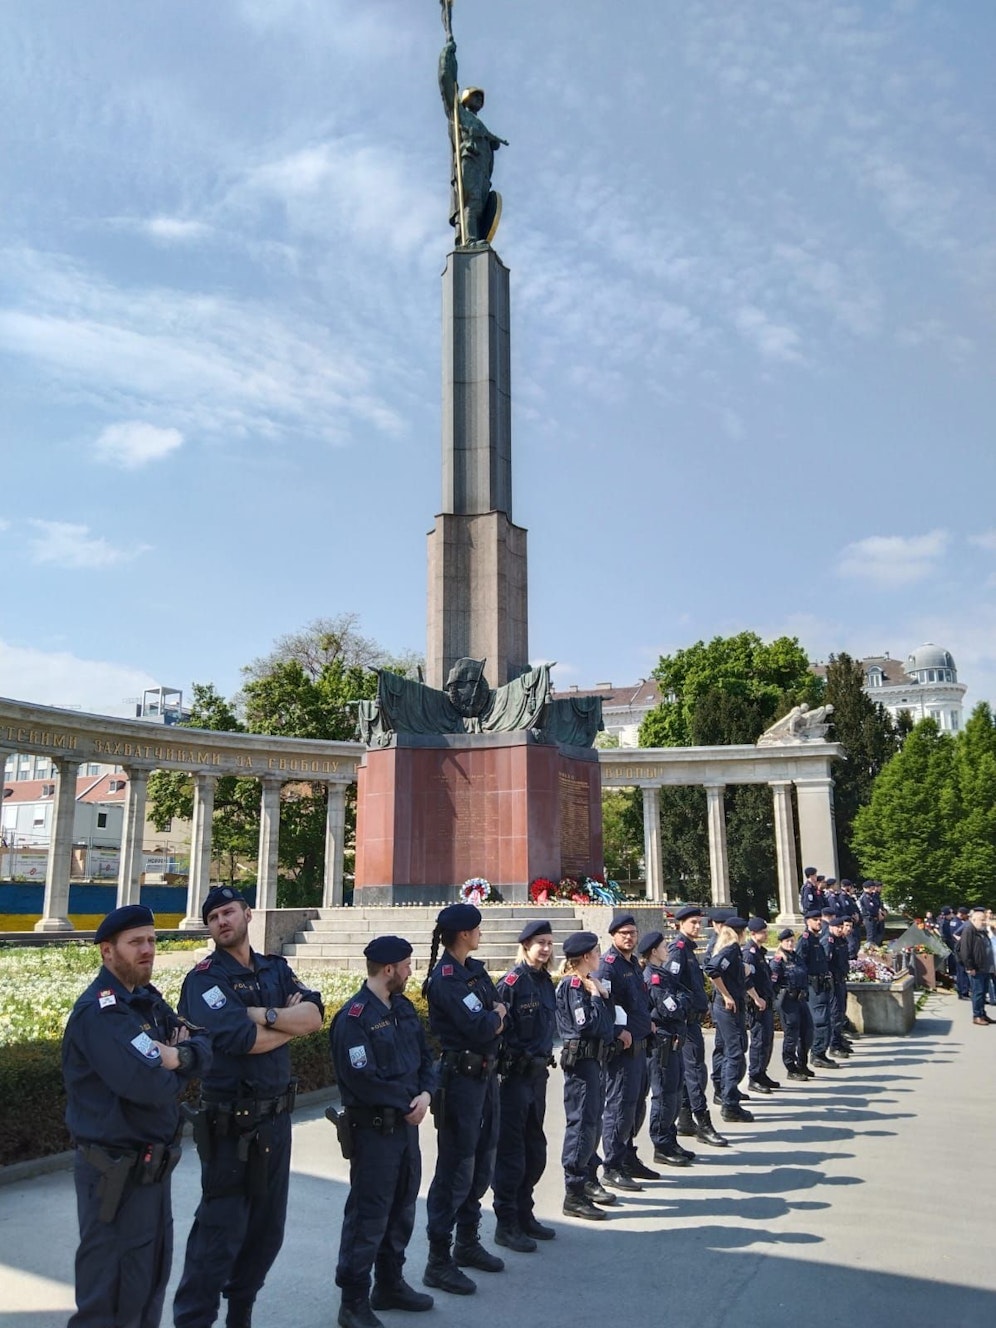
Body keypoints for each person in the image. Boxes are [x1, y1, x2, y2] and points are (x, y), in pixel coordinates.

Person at [173, 887, 324, 1328]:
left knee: (265, 1233)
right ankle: (194, 1321)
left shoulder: (275, 968)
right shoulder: (204, 979)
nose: (222, 921)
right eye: (214, 916)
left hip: (276, 1122)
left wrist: (262, 1014)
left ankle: (241, 1316)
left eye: (229, 911)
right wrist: (283, 1022)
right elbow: (241, 1040)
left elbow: (314, 1016)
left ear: (248, 914)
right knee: (218, 1236)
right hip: (230, 1129)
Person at [62, 904, 211, 1328]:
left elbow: (205, 1045)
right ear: (107, 951)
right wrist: (181, 1064)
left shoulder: (146, 1002)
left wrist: (174, 1056)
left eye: (152, 940)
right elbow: (147, 1087)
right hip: (115, 1178)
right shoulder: (101, 1012)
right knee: (109, 1301)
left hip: (150, 1172)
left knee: (147, 1288)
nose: (148, 949)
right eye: (136, 942)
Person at [329, 935, 436, 1328]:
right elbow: (362, 1080)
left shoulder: (403, 1008)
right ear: (389, 969)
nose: (411, 971)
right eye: (407, 965)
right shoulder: (354, 1018)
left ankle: (389, 1284)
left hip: (406, 1128)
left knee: (403, 1205)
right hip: (375, 1133)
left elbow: (426, 1057)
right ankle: (353, 1300)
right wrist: (409, 1101)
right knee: (368, 1215)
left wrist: (426, 1093)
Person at [421, 902, 506, 1295]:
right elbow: (482, 1025)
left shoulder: (472, 970)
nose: (481, 933)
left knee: (482, 1161)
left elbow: (493, 1021)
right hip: (460, 1081)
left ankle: (467, 1243)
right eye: (477, 928)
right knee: (457, 1167)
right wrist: (496, 1015)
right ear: (464, 934)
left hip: (486, 1078)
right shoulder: (447, 978)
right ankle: (438, 1259)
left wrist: (496, 1017)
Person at [492, 919, 558, 1252]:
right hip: (514, 1079)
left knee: (535, 1150)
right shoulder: (511, 983)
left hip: (538, 1077)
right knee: (512, 1154)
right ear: (525, 946)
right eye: (539, 943)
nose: (545, 949)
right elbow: (498, 1032)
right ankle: (506, 1223)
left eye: (549, 942)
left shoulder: (546, 982)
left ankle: (525, 1212)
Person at [556, 930, 616, 1221]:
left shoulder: (589, 984)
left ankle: (588, 1180)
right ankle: (574, 1193)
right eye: (596, 952)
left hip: (594, 1060)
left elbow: (606, 1026)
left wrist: (600, 996)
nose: (600, 956)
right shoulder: (573, 986)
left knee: (592, 1122)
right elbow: (587, 1026)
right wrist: (596, 998)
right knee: (581, 1125)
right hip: (581, 1064)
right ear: (585, 957)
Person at [595, 912, 657, 1191]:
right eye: (624, 933)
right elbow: (605, 1007)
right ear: (613, 936)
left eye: (632, 933)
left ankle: (627, 1155)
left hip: (641, 1046)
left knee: (635, 1106)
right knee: (620, 1106)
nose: (629, 937)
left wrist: (649, 1023)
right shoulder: (608, 967)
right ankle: (612, 1165)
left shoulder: (632, 964)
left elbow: (638, 1003)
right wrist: (618, 1032)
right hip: (623, 1050)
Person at [438, 29, 508, 245]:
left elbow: (487, 143)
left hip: (481, 169)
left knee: (479, 203)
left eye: (481, 97)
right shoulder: (457, 114)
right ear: (467, 97)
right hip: (468, 162)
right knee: (472, 201)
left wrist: (491, 141)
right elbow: (445, 81)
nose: (479, 99)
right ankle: (470, 239)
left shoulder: (478, 123)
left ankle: (474, 237)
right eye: (476, 95)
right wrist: (447, 55)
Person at [668, 906, 728, 1148]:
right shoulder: (678, 950)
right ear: (680, 924)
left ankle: (684, 1120)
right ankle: (703, 1123)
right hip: (684, 1022)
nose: (696, 926)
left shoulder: (689, 949)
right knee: (695, 1072)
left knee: (690, 1072)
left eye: (698, 922)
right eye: (692, 922)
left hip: (691, 1021)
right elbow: (669, 986)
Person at [639, 931, 694, 1167]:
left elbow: (687, 996)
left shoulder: (664, 974)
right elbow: (669, 1009)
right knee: (663, 1094)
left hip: (674, 1039)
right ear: (654, 951)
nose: (667, 950)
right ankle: (661, 1144)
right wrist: (682, 1003)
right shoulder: (653, 978)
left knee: (675, 1092)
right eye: (664, 946)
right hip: (662, 1042)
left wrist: (682, 1002)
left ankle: (670, 1140)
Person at [704, 917, 763, 1123]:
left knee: (732, 1048)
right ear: (740, 932)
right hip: (727, 1005)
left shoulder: (734, 950)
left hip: (734, 1004)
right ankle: (729, 1104)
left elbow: (738, 977)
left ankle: (729, 1090)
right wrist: (727, 995)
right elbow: (712, 970)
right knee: (734, 1052)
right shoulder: (730, 949)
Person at [769, 928, 813, 1081]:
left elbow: (804, 976)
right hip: (788, 1001)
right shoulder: (778, 961)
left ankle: (802, 1063)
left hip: (801, 1000)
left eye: (792, 941)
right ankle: (791, 1067)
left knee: (807, 1032)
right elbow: (773, 984)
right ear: (781, 943)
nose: (790, 943)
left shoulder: (796, 957)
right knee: (791, 1035)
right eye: (787, 941)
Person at [796, 909, 837, 1070]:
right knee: (819, 1021)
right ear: (807, 921)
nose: (819, 922)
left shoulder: (816, 939)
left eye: (820, 920)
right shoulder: (805, 940)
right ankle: (817, 1054)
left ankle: (821, 1052)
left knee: (826, 1019)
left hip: (822, 985)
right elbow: (800, 965)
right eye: (815, 920)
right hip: (813, 987)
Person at [743, 917, 779, 1093]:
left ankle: (762, 1072)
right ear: (753, 933)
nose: (766, 934)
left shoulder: (759, 952)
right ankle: (754, 1076)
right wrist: (756, 998)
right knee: (758, 1041)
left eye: (766, 931)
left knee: (767, 1040)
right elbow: (747, 979)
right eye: (762, 932)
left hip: (766, 1001)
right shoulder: (749, 953)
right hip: (757, 1004)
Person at [957, 906, 995, 1026]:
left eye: (984, 919)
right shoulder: (969, 930)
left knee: (983, 992)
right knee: (978, 992)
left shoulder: (981, 931)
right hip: (976, 968)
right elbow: (965, 950)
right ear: (973, 920)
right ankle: (977, 1015)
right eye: (982, 920)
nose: (984, 922)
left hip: (985, 967)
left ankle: (982, 1014)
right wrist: (969, 966)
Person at [823, 912, 853, 1057]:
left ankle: (839, 1040)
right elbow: (826, 963)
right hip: (833, 982)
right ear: (832, 927)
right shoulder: (829, 941)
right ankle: (833, 1045)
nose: (841, 930)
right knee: (835, 1013)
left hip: (841, 980)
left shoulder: (841, 940)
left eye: (842, 927)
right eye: (838, 927)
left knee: (841, 1012)